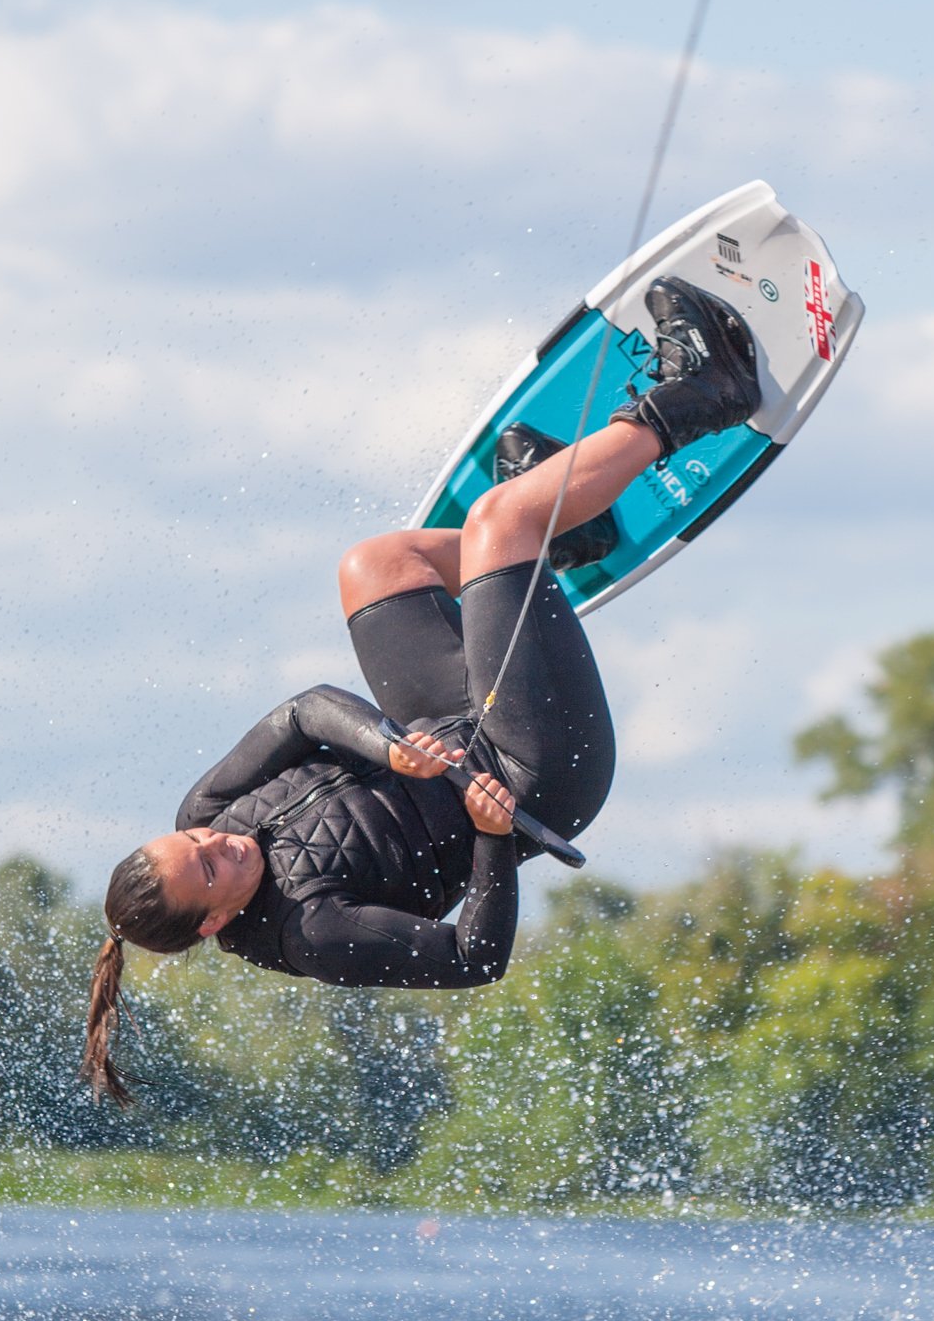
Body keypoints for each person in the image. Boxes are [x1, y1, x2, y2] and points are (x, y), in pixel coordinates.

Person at [82, 278, 761, 1102]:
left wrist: (389, 746)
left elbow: (303, 712)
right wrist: (488, 837)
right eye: (213, 872)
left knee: (372, 564)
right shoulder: (311, 935)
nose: (218, 845)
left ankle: (573, 532)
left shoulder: (204, 814)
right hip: (531, 774)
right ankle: (705, 394)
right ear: (218, 922)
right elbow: (474, 962)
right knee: (496, 526)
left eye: (196, 846)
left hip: (434, 726)